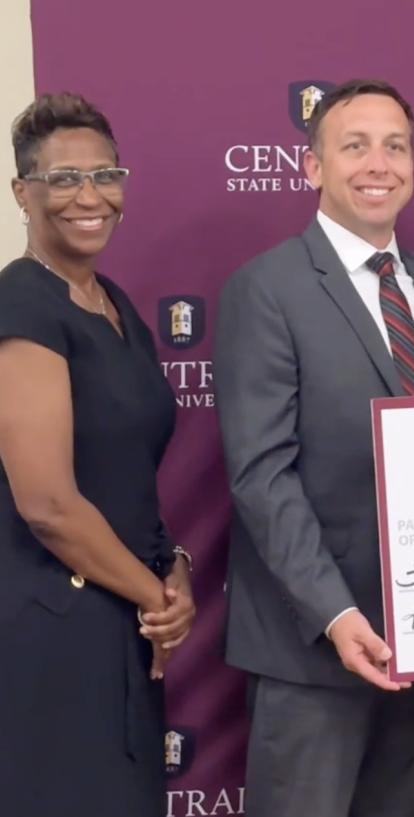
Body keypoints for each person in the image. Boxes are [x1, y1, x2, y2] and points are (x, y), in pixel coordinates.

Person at [213, 79, 414, 817]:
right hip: (314, 645)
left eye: (395, 145)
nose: (377, 163)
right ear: (313, 167)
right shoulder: (266, 288)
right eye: (354, 145)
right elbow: (262, 475)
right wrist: (336, 614)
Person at [0, 93, 195, 817]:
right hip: (51, 630)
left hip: (121, 625)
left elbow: (126, 476)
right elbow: (47, 504)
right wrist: (156, 601)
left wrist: (174, 567)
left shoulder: (113, 304)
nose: (89, 196)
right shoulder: (22, 304)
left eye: (105, 175)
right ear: (24, 193)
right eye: (63, 179)